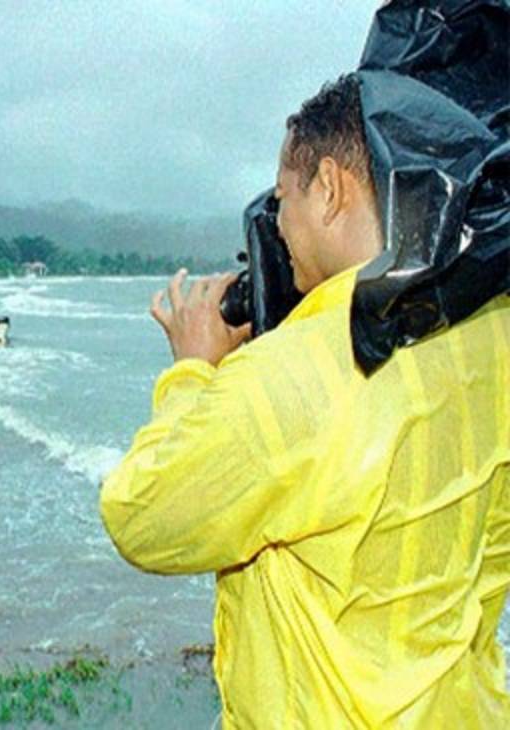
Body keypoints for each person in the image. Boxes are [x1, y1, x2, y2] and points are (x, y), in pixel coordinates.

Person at [100, 73, 510, 728]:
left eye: (283, 198)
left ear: (328, 188)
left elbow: (142, 515)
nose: (278, 225)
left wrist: (193, 372)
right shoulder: (493, 334)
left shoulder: (292, 375)